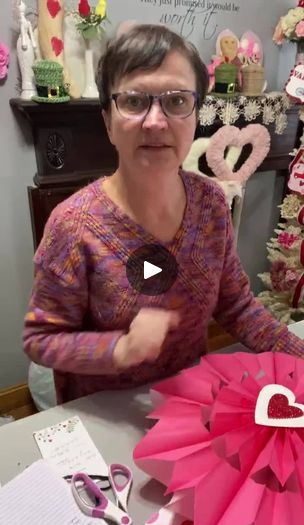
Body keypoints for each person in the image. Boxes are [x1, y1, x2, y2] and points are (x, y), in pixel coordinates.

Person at [23, 24, 304, 405]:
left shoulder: (210, 204)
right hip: (104, 414)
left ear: (194, 116)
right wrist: (118, 350)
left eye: (176, 101)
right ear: (107, 121)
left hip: (187, 404)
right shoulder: (73, 226)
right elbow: (42, 341)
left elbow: (237, 305)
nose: (156, 121)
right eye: (135, 101)